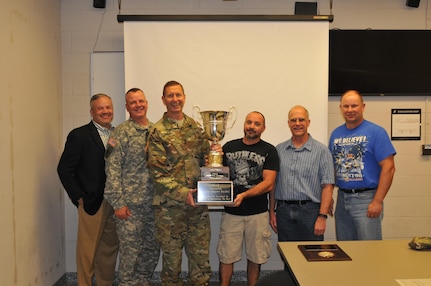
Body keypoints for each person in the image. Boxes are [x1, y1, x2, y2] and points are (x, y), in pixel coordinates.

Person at [147, 80, 221, 286]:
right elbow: (158, 174)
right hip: (169, 210)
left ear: (184, 97)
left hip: (197, 208)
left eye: (178, 95)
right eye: (170, 96)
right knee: (172, 267)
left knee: (200, 265)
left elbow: (205, 162)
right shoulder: (157, 132)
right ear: (163, 100)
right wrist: (183, 194)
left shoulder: (197, 129)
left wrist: (214, 157)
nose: (175, 99)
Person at [57, 93, 119, 286]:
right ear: (92, 112)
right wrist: (78, 197)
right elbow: (64, 169)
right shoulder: (79, 135)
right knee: (87, 251)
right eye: (100, 108)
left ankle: (105, 283)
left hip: (114, 202)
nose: (105, 111)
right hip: (92, 202)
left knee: (109, 250)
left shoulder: (117, 134)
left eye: (108, 107)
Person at [104, 88, 160, 286]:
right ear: (127, 107)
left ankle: (143, 282)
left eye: (141, 101)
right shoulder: (120, 132)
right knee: (130, 255)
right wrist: (118, 204)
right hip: (130, 209)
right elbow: (112, 170)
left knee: (151, 252)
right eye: (133, 102)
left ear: (146, 103)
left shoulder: (156, 131)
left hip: (154, 206)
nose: (138, 105)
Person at [217, 111, 279, 286]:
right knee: (226, 256)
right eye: (249, 122)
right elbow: (217, 176)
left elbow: (268, 184)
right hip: (231, 213)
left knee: (255, 256)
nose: (252, 126)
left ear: (263, 128)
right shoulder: (228, 147)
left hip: (257, 213)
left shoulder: (269, 151)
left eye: (257, 124)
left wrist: (244, 195)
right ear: (244, 124)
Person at [329, 90, 396, 240]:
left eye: (354, 106)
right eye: (346, 106)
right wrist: (328, 196)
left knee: (369, 252)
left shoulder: (376, 132)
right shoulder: (336, 134)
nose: (350, 110)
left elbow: (389, 168)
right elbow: (333, 167)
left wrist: (377, 201)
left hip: (366, 199)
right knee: (346, 251)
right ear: (340, 108)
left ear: (363, 107)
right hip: (342, 198)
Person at [269, 105, 334, 242]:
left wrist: (322, 217)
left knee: (312, 256)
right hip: (283, 211)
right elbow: (273, 184)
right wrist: (272, 212)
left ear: (308, 122)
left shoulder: (321, 151)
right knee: (288, 256)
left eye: (301, 120)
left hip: (310, 212)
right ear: (288, 124)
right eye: (293, 120)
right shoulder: (279, 150)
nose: (297, 123)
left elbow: (328, 186)